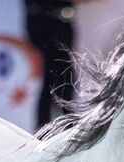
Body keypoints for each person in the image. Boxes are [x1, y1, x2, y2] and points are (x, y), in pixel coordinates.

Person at [24, 0, 78, 129]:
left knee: (64, 79)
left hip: (63, 22)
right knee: (52, 79)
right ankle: (48, 131)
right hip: (41, 22)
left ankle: (67, 128)